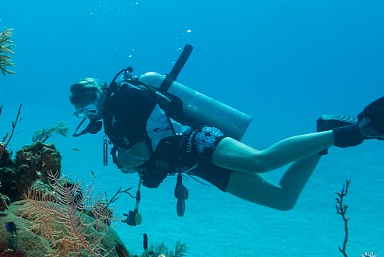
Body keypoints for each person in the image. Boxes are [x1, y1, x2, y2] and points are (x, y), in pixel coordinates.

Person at [69, 73, 384, 213]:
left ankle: (352, 132)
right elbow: (143, 152)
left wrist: (128, 163)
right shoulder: (112, 122)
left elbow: (140, 151)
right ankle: (323, 134)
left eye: (89, 101)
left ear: (100, 92)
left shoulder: (124, 97)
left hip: (197, 143)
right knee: (283, 200)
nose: (88, 110)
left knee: (261, 160)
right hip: (193, 166)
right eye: (82, 108)